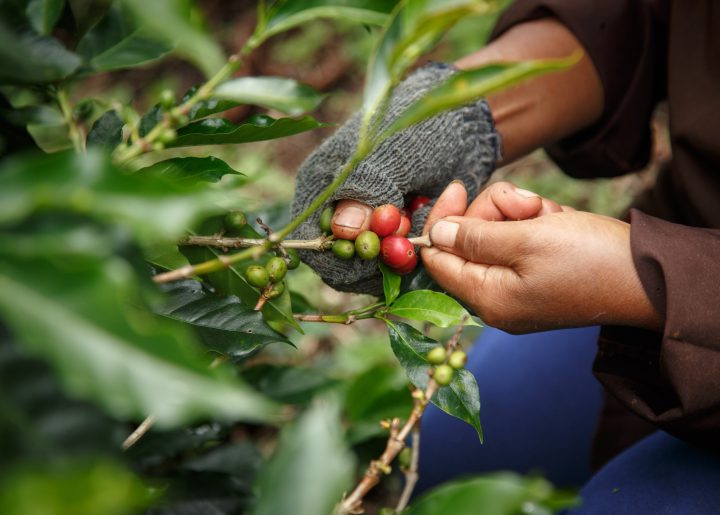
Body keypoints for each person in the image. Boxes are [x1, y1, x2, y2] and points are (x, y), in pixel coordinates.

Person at [291, 1, 720, 511]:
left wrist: (640, 278)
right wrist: (456, 113)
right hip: (681, 240)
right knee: (447, 453)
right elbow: (635, 16)